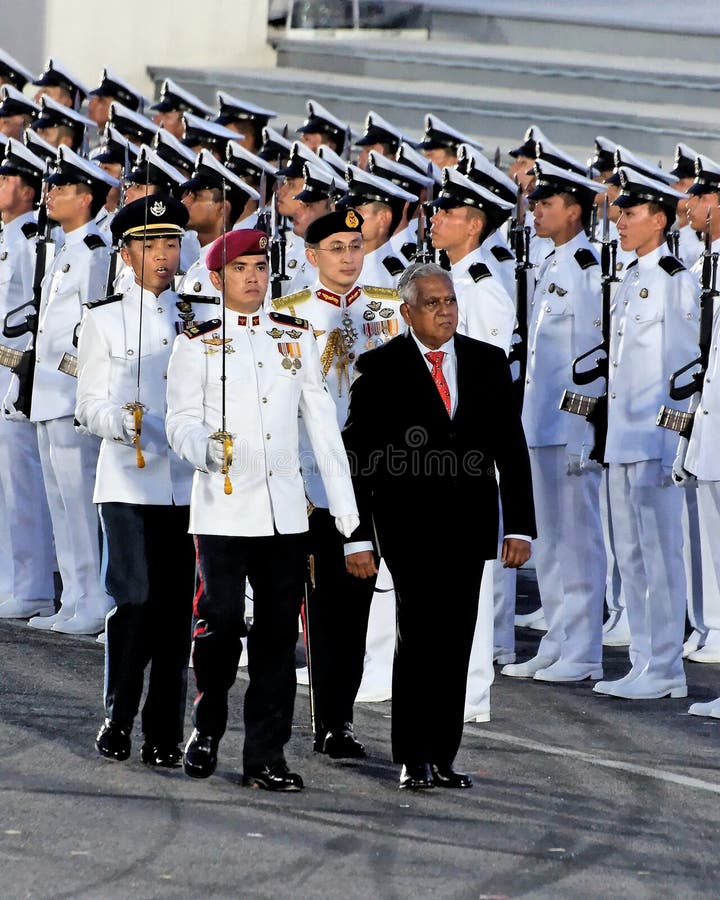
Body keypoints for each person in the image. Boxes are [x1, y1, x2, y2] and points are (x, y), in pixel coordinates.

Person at [165, 228, 359, 791]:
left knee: (278, 640)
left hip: (283, 515)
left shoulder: (292, 336)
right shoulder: (196, 342)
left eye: (260, 266)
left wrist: (346, 513)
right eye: (241, 268)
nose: (253, 276)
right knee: (220, 625)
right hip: (224, 509)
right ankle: (206, 724)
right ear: (218, 278)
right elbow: (178, 420)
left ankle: (266, 757)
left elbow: (321, 425)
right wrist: (203, 447)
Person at [343, 262, 536, 789]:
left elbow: (510, 450)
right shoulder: (379, 368)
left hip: (470, 528)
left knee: (456, 642)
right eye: (432, 303)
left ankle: (444, 756)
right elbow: (359, 459)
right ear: (407, 312)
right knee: (419, 639)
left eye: (449, 301)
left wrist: (519, 526)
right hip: (408, 530)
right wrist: (358, 535)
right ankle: (413, 756)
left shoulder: (486, 361)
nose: (445, 310)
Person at [273, 208, 405, 757]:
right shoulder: (286, 314)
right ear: (312, 257)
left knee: (362, 609)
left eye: (356, 246)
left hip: (385, 479)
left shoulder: (392, 307)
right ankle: (325, 720)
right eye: (337, 248)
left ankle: (343, 719)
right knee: (324, 607)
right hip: (315, 481)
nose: (350, 257)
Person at [75, 194, 198, 765]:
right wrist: (124, 421)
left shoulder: (200, 314)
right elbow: (87, 406)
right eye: (151, 246)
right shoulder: (102, 319)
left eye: (171, 244)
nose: (164, 257)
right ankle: (118, 716)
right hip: (126, 481)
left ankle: (164, 733)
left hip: (184, 484)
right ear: (127, 254)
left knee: (175, 612)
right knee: (136, 600)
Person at [593, 167, 699, 700]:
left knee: (661, 554)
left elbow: (682, 370)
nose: (619, 221)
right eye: (619, 212)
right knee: (631, 552)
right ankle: (641, 661)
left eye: (630, 214)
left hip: (654, 440)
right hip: (622, 438)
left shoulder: (675, 278)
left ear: (659, 220)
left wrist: (671, 443)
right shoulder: (631, 276)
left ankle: (666, 668)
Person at [3, 145, 118, 635]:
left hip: (71, 395)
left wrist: (84, 390)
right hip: (46, 394)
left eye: (62, 189)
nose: (50, 195)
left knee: (78, 502)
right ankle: (72, 597)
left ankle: (94, 597)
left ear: (86, 197)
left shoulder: (94, 252)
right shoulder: (65, 250)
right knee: (60, 501)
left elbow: (95, 328)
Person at [502, 160, 608, 683]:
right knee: (546, 538)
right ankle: (559, 638)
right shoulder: (547, 260)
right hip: (537, 422)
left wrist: (583, 432)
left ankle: (584, 649)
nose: (536, 211)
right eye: (535, 203)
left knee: (577, 539)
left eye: (547, 205)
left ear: (575, 211)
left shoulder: (588, 267)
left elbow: (593, 359)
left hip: (567, 427)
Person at [0, 138, 56, 621]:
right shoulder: (7, 236)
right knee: (5, 487)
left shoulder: (31, 241)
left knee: (23, 487)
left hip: (16, 374)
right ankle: (11, 581)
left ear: (27, 189)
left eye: (6, 178)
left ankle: (33, 585)